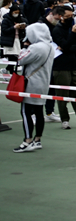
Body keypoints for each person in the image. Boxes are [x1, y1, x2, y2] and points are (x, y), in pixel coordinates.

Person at [12, 23, 55, 153]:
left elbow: (21, 58)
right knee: (39, 112)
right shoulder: (49, 47)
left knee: (25, 112)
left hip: (31, 83)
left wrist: (25, 47)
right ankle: (37, 140)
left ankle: (27, 140)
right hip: (43, 82)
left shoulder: (36, 47)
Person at [51, 6, 76, 130]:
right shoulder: (57, 30)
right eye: (67, 16)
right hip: (60, 66)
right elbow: (65, 45)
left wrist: (68, 46)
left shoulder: (75, 29)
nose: (70, 18)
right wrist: (71, 39)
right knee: (62, 94)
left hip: (73, 64)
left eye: (71, 16)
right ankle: (64, 120)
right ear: (60, 17)